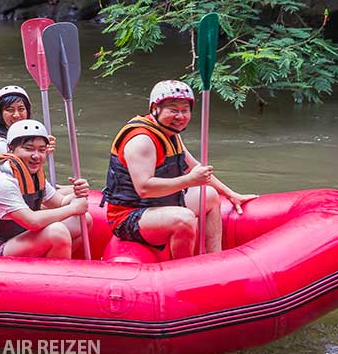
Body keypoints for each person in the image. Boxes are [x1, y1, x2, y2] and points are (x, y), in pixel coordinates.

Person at [101, 80, 257, 259]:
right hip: (129, 217)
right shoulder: (141, 141)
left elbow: (194, 167)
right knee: (184, 218)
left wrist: (230, 193)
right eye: (173, 110)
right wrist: (190, 180)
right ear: (154, 108)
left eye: (185, 110)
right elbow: (144, 188)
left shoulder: (170, 133)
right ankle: (184, 271)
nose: (180, 116)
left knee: (211, 196)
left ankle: (215, 259)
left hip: (159, 205)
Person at [0, 120, 91, 258]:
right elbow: (32, 221)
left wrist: (77, 193)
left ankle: (49, 263)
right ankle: (52, 275)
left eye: (41, 150)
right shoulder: (1, 181)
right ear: (10, 149)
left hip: (17, 239)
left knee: (83, 220)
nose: (36, 156)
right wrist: (73, 208)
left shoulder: (33, 175)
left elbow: (60, 202)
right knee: (57, 232)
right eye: (29, 149)